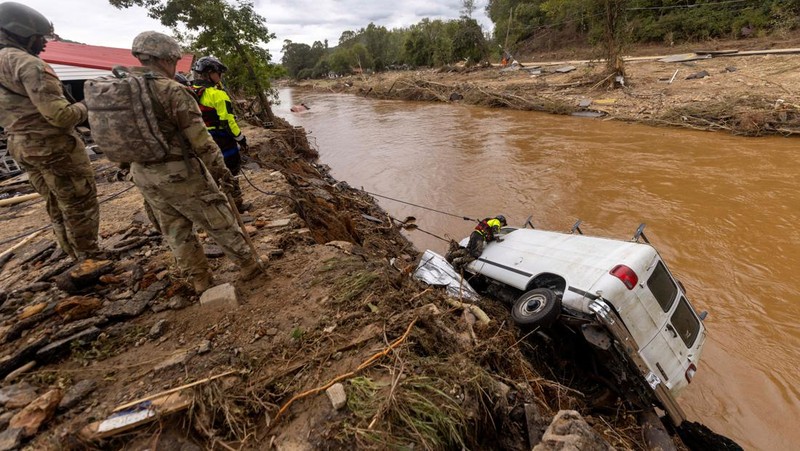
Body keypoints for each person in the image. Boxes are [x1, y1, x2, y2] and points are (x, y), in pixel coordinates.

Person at [125, 31, 263, 292]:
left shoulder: (119, 88)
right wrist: (221, 172)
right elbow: (201, 141)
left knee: (175, 231)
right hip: (180, 171)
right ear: (166, 59)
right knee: (218, 218)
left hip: (142, 173)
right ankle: (249, 264)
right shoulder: (173, 90)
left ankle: (200, 280)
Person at [0, 2, 101, 260]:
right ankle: (89, 258)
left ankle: (72, 253)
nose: (44, 44)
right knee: (78, 202)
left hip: (20, 146)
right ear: (22, 33)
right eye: (39, 38)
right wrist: (87, 103)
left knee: (55, 202)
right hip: (53, 146)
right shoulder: (27, 64)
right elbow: (60, 116)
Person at [191, 56, 250, 212]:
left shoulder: (191, 92)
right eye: (218, 73)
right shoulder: (217, 95)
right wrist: (241, 139)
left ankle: (214, 209)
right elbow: (228, 121)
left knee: (209, 174)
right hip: (222, 139)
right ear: (210, 73)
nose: (220, 76)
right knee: (231, 170)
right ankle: (237, 205)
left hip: (200, 139)